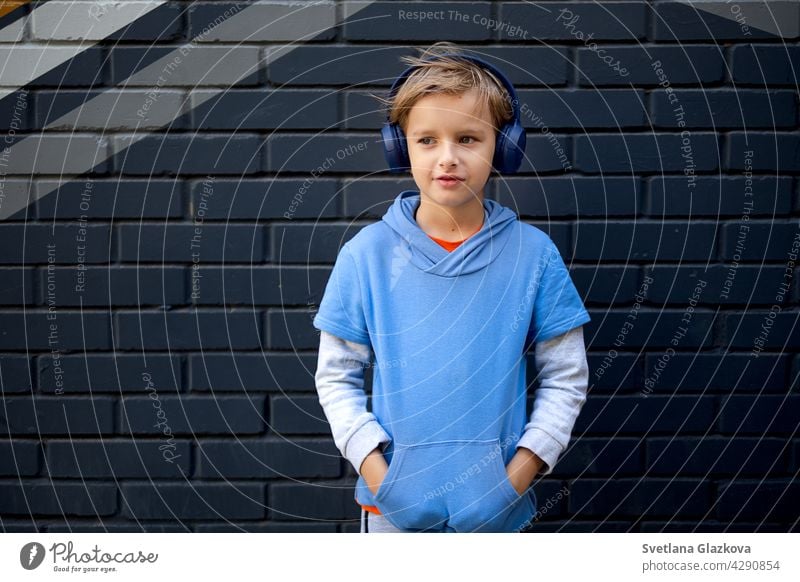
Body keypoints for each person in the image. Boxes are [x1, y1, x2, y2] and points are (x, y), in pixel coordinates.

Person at [313, 42, 590, 533]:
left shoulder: (535, 254)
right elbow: (336, 377)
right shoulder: (365, 255)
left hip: (499, 512)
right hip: (390, 513)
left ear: (502, 147)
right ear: (400, 148)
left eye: (467, 139)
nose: (447, 158)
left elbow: (565, 377)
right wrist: (383, 478)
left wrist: (514, 480)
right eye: (426, 140)